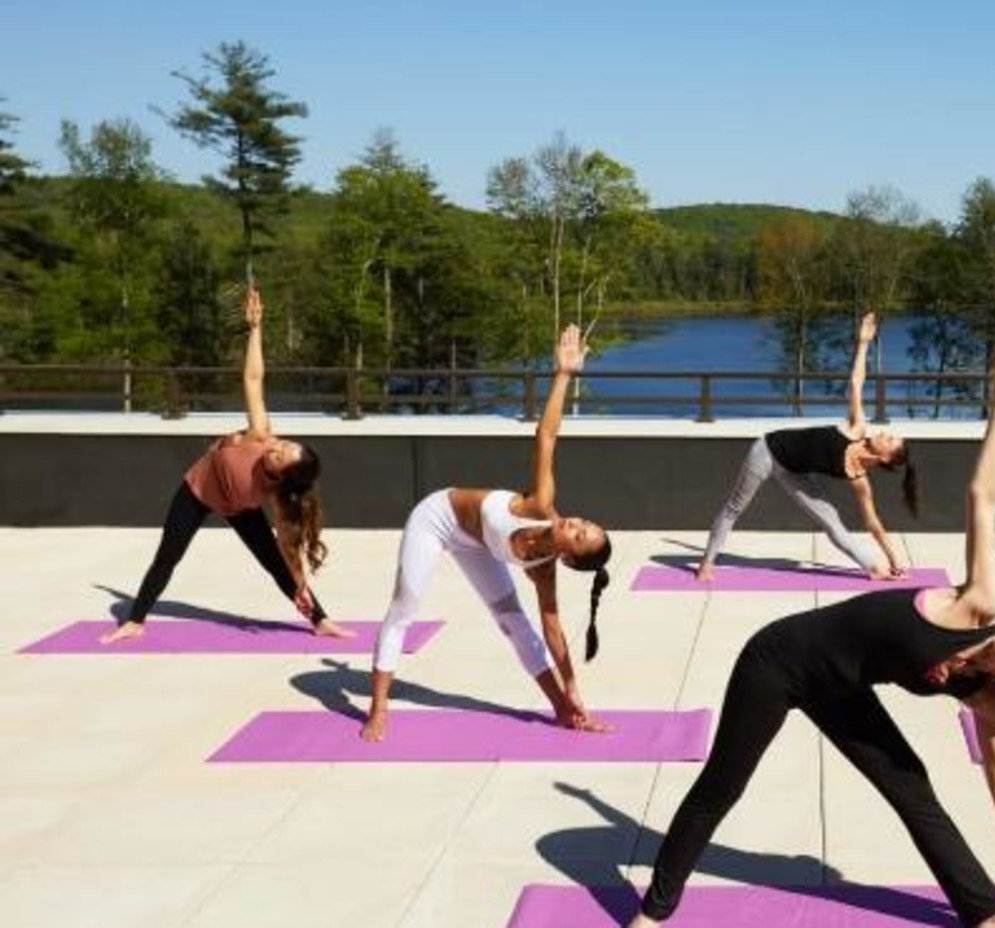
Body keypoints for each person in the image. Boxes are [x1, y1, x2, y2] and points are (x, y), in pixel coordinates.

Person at [632, 332, 995, 928]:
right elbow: (983, 498)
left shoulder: (987, 700)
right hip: (779, 661)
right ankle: (653, 915)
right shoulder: (980, 602)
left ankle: (990, 915)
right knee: (722, 788)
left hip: (839, 688)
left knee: (913, 790)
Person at [360, 323, 613, 741]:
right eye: (584, 522)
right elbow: (546, 435)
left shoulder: (544, 570)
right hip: (436, 519)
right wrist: (564, 375)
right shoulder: (540, 504)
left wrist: (571, 689)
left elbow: (553, 630)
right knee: (405, 607)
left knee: (516, 624)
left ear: (569, 557)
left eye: (581, 535)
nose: (576, 523)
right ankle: (378, 708)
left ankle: (561, 710)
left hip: (478, 546)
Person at [102, 284, 342, 644]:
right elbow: (253, 379)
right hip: (199, 490)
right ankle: (135, 620)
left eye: (280, 455)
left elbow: (287, 548)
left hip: (238, 506)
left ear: (281, 476)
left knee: (273, 563)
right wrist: (255, 329)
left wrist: (302, 586)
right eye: (284, 443)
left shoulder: (276, 493)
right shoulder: (260, 434)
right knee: (168, 554)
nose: (276, 446)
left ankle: (320, 620)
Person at [695, 312, 918, 581]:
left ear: (884, 458)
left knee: (832, 522)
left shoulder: (860, 480)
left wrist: (894, 559)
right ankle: (706, 563)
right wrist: (863, 344)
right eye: (891, 434)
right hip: (768, 450)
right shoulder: (857, 428)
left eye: (890, 439)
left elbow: (873, 522)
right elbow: (856, 382)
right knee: (735, 507)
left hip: (794, 472)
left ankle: (873, 568)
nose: (885, 432)